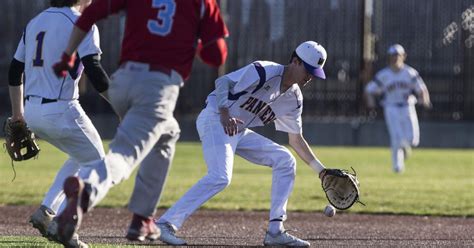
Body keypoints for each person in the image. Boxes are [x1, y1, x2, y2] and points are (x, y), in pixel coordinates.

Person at [51, 0, 229, 246]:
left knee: (168, 133)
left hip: (122, 82)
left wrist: (67, 55)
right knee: (123, 156)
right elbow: (216, 54)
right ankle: (86, 190)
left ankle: (142, 218)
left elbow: (90, 12)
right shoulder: (202, 3)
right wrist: (194, 43)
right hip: (157, 88)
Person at [155, 41, 329, 247]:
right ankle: (165, 224)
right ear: (295, 61)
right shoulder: (265, 70)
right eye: (308, 70)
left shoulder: (294, 98)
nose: (309, 77)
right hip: (214, 118)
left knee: (285, 159)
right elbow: (222, 82)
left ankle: (275, 231)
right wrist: (225, 112)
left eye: (314, 73)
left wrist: (321, 170)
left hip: (238, 129)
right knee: (220, 177)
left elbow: (296, 139)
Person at [7, 0, 111, 247]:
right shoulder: (81, 22)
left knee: (80, 155)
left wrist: (18, 115)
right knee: (99, 165)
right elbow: (94, 70)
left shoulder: (35, 22)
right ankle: (63, 224)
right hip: (62, 108)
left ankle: (47, 211)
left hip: (32, 110)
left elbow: (14, 70)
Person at [364, 44, 431, 173]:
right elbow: (369, 90)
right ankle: (397, 166)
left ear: (403, 56)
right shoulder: (384, 75)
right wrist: (371, 104)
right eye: (393, 56)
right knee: (396, 137)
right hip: (391, 107)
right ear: (389, 58)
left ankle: (405, 148)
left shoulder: (409, 72)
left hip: (407, 106)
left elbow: (421, 89)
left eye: (398, 55)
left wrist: (425, 101)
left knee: (413, 139)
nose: (395, 58)